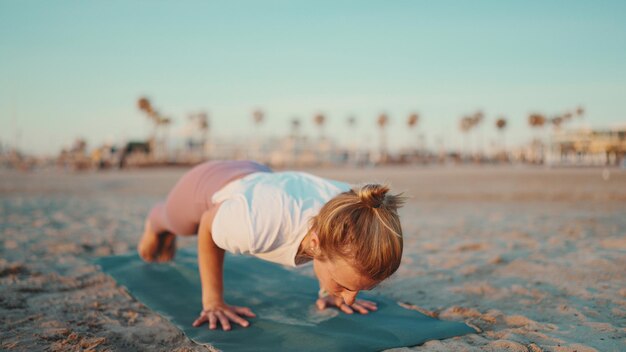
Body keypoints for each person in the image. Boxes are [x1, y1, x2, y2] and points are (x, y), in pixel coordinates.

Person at [138, 160, 405, 331]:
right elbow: (208, 225)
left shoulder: (361, 210)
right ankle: (155, 221)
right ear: (315, 244)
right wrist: (213, 301)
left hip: (258, 176)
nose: (350, 297)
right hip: (205, 184)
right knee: (183, 226)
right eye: (346, 287)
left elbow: (339, 257)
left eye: (356, 291)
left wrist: (333, 291)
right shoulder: (256, 226)